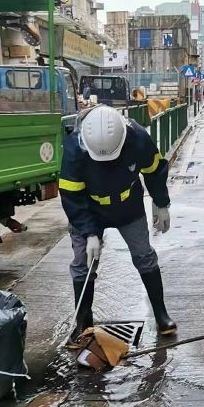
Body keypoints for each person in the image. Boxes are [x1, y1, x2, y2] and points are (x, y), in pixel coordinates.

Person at [59, 104, 176, 346]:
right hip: (89, 208)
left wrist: (161, 203)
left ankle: (161, 315)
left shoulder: (138, 139)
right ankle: (83, 322)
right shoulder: (75, 148)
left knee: (144, 256)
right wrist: (89, 232)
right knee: (83, 264)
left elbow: (155, 170)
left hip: (127, 206)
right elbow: (71, 195)